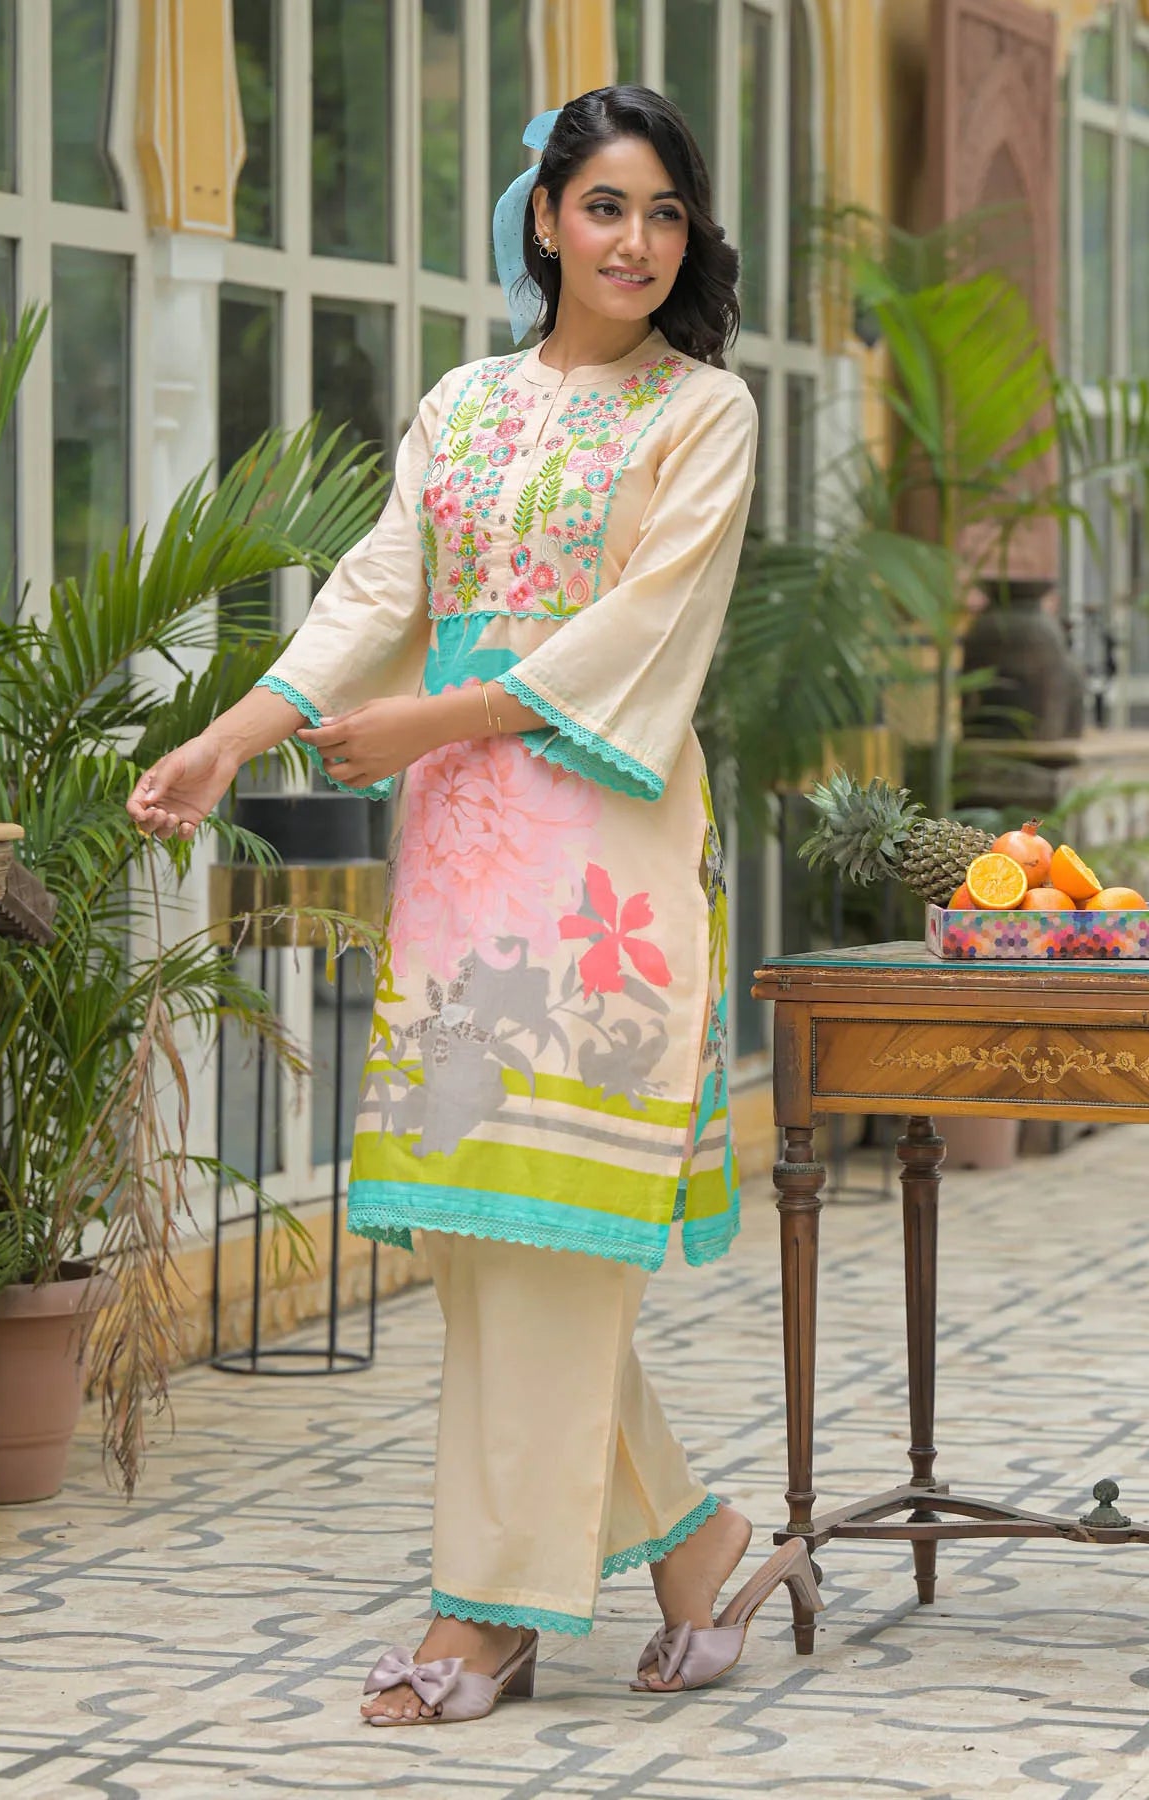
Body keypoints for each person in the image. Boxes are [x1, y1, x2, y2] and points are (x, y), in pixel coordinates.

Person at [127, 83, 822, 1727]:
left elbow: (644, 633)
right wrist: (232, 737)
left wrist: (433, 720)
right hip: (458, 862)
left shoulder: (702, 415)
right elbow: (377, 591)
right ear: (544, 219)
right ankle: (706, 1549)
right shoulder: (465, 404)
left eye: (665, 213)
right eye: (606, 207)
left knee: (552, 1231)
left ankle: (489, 1614)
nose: (636, 242)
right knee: (482, 1227)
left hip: (603, 867)